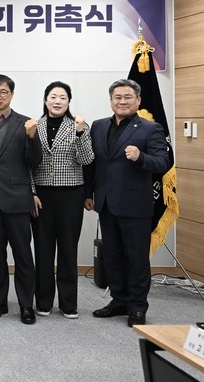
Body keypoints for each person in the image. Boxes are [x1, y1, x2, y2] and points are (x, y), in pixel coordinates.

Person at [85, 79, 170, 327]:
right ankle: (119, 300)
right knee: (111, 256)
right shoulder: (99, 126)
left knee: (136, 258)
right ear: (111, 100)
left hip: (135, 205)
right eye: (117, 97)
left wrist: (141, 157)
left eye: (127, 97)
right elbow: (92, 163)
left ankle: (137, 307)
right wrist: (88, 193)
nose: (122, 101)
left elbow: (163, 163)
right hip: (106, 203)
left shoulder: (150, 128)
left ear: (138, 100)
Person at [0, 74, 42, 325]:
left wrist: (32, 138)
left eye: (3, 92)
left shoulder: (25, 123)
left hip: (17, 199)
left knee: (23, 255)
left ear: (12, 95)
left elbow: (34, 161)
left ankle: (26, 305)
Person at [31, 81, 94, 320]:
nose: (57, 101)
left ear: (69, 101)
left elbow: (87, 160)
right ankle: (43, 301)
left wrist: (79, 134)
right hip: (41, 196)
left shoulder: (79, 126)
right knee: (43, 250)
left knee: (68, 250)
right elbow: (27, 163)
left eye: (63, 97)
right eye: (53, 96)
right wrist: (31, 192)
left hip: (70, 194)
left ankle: (68, 304)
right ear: (45, 100)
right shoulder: (34, 126)